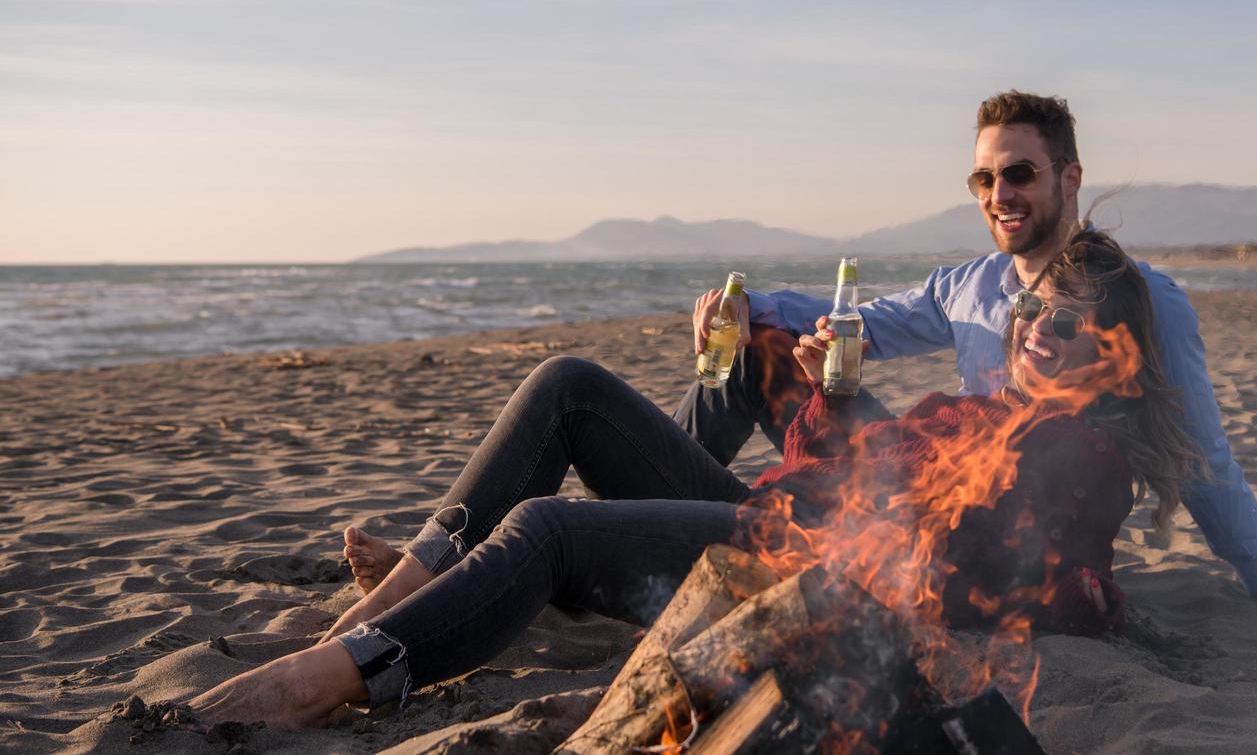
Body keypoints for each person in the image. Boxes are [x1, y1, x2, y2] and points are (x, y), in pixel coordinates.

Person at [187, 230, 1192, 728]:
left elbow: (995, 562)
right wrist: (819, 399)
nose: (1033, 331)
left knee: (549, 528)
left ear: (1116, 352)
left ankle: (330, 676)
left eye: (1064, 321)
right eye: (1030, 312)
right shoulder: (998, 414)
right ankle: (406, 588)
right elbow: (876, 481)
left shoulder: (1081, 450)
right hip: (790, 523)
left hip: (797, 568)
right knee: (567, 383)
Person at [676, 91, 1257, 605]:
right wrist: (751, 306)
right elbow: (856, 323)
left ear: (1069, 177)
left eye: (1018, 173)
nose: (998, 196)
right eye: (981, 180)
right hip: (925, 468)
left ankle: (670, 528)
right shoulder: (970, 285)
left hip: (997, 529)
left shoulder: (1138, 300)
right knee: (753, 353)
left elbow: (1199, 452)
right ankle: (668, 500)